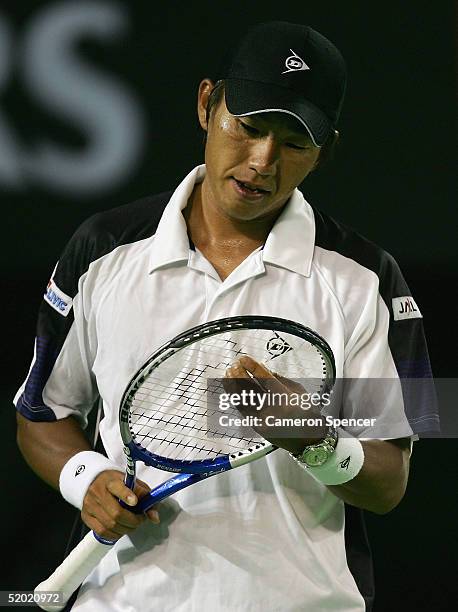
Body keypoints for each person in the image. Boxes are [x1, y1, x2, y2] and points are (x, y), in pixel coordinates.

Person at [14, 21, 438, 612]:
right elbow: (41, 415)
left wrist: (313, 437)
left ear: (325, 151)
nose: (263, 161)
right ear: (207, 104)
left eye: (293, 144)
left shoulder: (366, 279)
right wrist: (87, 478)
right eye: (250, 127)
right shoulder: (102, 251)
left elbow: (390, 481)